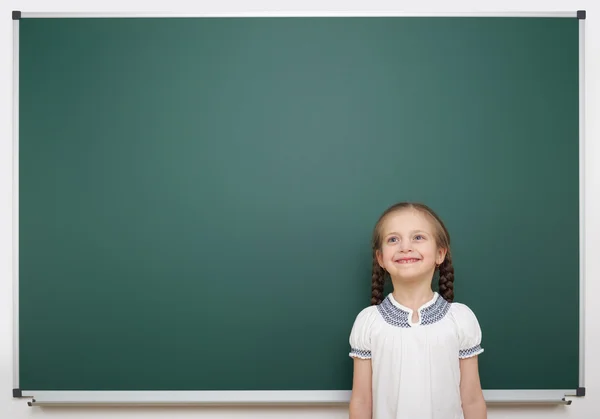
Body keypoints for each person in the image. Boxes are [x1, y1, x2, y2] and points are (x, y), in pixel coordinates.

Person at [348, 202, 487, 419]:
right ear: (381, 258)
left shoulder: (460, 319)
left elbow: (471, 398)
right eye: (393, 239)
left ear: (440, 254)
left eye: (418, 237)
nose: (405, 247)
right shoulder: (368, 322)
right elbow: (361, 400)